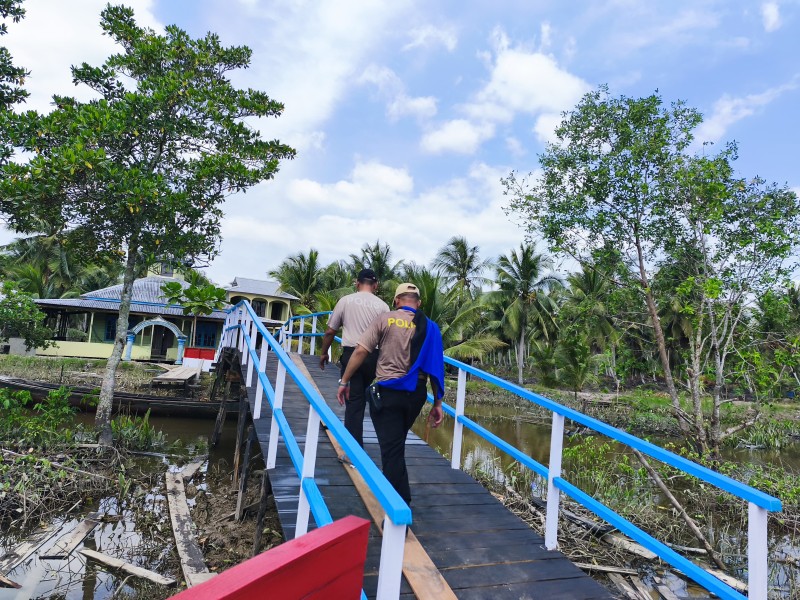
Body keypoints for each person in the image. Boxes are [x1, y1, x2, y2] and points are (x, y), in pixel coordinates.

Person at [337, 282, 445, 505]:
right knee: (395, 444)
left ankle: (399, 508)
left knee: (391, 450)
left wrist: (344, 380)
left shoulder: (385, 319)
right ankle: (397, 500)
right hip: (416, 395)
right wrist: (438, 403)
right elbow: (436, 366)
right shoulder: (430, 327)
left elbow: (360, 351)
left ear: (396, 301)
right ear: (419, 303)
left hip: (389, 393)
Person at [319, 268, 389, 447]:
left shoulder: (345, 301)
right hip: (374, 356)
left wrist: (323, 352)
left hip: (353, 355)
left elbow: (330, 331)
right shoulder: (383, 306)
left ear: (357, 283)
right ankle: (365, 444)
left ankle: (353, 451)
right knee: (363, 398)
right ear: (375, 286)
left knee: (354, 403)